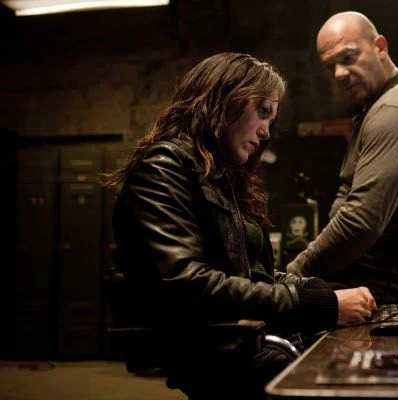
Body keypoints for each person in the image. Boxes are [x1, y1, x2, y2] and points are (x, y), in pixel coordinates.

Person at [103, 52, 376, 399]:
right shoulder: (164, 168)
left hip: (245, 340)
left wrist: (320, 290)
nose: (266, 131)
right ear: (224, 99)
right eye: (262, 111)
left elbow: (250, 274)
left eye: (271, 120)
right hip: (218, 351)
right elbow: (186, 283)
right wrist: (314, 303)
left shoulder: (219, 178)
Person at [286, 12, 398, 304]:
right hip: (372, 280)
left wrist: (293, 275)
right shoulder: (381, 106)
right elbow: (346, 203)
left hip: (383, 284)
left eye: (348, 57)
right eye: (330, 66)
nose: (339, 74)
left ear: (380, 47)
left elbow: (360, 221)